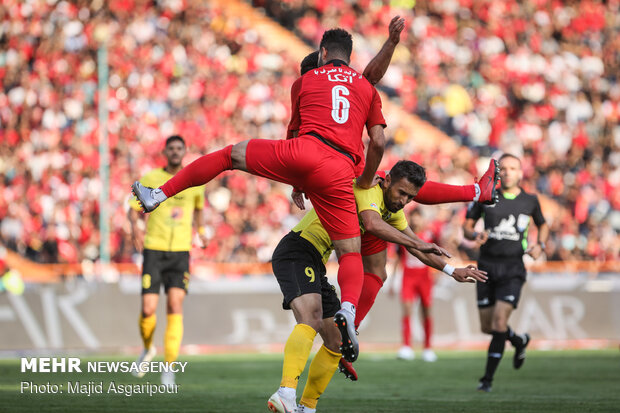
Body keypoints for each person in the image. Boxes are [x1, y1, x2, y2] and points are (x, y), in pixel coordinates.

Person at [269, 160, 488, 413]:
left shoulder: (392, 212)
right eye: (401, 193)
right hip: (297, 249)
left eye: (410, 197)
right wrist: (415, 244)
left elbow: (418, 246)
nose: (404, 201)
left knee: (335, 341)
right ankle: (286, 392)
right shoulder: (368, 188)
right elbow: (374, 225)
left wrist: (452, 270)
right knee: (312, 316)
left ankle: (306, 408)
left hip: (316, 261)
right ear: (386, 181)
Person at [463, 153, 549, 392]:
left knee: (500, 321)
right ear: (500, 173)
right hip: (486, 267)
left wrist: (540, 245)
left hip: (513, 268)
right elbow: (467, 226)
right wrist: (474, 235)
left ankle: (486, 380)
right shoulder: (486, 196)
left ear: (521, 173)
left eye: (514, 168)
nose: (509, 172)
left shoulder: (530, 200)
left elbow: (543, 224)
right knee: (488, 327)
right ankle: (518, 340)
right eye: (506, 168)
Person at [128, 135, 208, 387]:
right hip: (154, 248)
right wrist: (135, 227)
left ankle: (169, 367)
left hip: (180, 252)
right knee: (148, 308)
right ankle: (148, 348)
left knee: (175, 306)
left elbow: (198, 211)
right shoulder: (151, 178)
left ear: (184, 151)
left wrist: (202, 233)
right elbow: (133, 207)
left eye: (179, 148)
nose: (175, 152)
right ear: (165, 151)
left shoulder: (195, 180)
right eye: (171, 148)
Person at [389, 209, 438, 362]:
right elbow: (398, 258)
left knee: (427, 311)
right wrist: (392, 281)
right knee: (407, 310)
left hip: (425, 277)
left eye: (418, 218)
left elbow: (438, 255)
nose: (416, 221)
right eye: (413, 218)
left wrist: (437, 274)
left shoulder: (430, 235)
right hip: (408, 277)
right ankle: (406, 346)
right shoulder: (403, 235)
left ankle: (428, 348)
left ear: (422, 219)